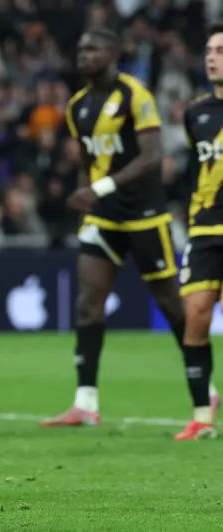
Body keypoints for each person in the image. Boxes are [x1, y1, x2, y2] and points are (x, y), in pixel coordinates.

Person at [41, 29, 190, 428]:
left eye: (93, 48)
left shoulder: (134, 94)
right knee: (88, 303)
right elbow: (88, 166)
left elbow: (152, 156)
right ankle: (85, 402)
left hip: (145, 215)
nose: (84, 54)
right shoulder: (77, 107)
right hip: (103, 217)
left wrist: (98, 188)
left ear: (113, 53)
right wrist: (85, 207)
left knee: (170, 304)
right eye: (81, 48)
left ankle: (202, 383)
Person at [174, 22, 223, 440]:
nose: (211, 56)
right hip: (204, 229)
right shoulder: (197, 112)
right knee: (195, 318)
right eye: (209, 49)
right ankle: (202, 417)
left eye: (220, 50)